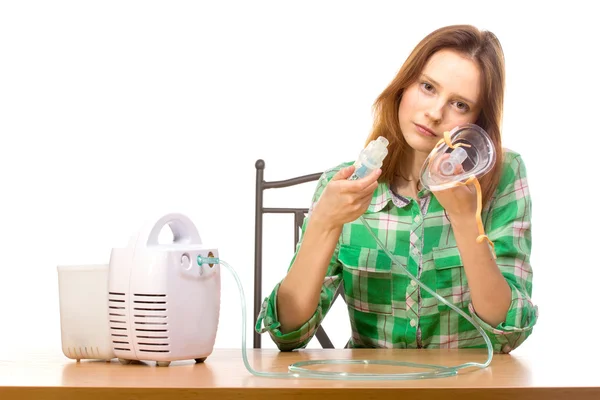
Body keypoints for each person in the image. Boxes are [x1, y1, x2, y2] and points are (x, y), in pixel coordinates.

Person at [255, 24, 538, 354]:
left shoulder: (502, 175)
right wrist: (323, 223)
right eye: (428, 87)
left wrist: (464, 219)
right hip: (373, 385)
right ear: (404, 86)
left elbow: (508, 332)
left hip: (468, 385)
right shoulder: (344, 187)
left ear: (477, 124)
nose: (434, 113)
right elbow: (288, 334)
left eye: (459, 104)